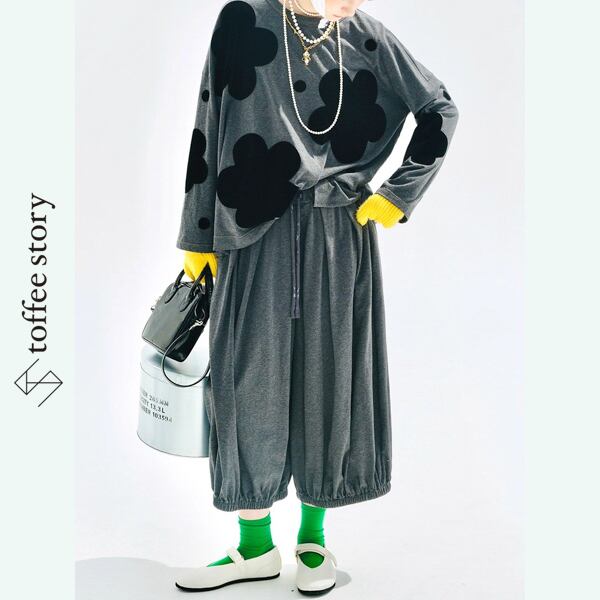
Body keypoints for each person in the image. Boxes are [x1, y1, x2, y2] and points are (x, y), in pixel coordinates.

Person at [174, 0, 459, 593]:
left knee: (330, 379)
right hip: (249, 230)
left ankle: (312, 540)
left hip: (337, 230)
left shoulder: (365, 34)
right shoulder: (243, 18)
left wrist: (398, 195)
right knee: (244, 381)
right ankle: (254, 547)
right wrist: (197, 234)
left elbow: (439, 110)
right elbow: (209, 117)